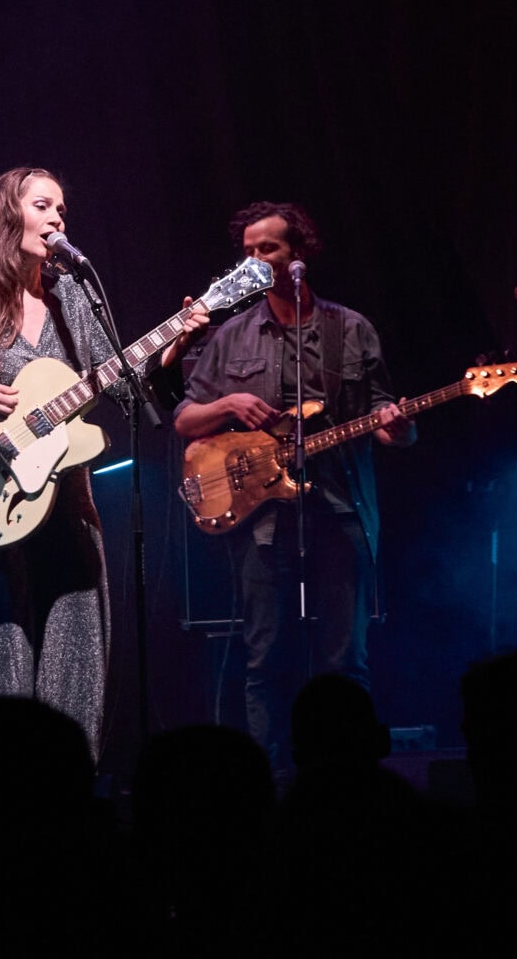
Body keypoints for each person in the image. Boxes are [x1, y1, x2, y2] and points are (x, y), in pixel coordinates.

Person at [0, 166, 205, 762]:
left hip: (67, 503)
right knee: (0, 656)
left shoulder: (73, 303)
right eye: (43, 205)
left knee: (77, 651)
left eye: (62, 208)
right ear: (6, 217)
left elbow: (128, 392)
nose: (58, 217)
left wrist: (176, 347)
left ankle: (66, 788)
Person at [174, 201, 413, 775]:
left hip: (340, 508)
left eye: (268, 249)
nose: (255, 260)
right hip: (263, 518)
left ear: (299, 253)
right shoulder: (233, 336)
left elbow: (385, 417)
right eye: (248, 251)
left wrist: (396, 426)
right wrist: (229, 403)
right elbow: (184, 419)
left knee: (344, 659)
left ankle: (347, 776)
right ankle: (269, 780)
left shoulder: (350, 329)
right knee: (265, 657)